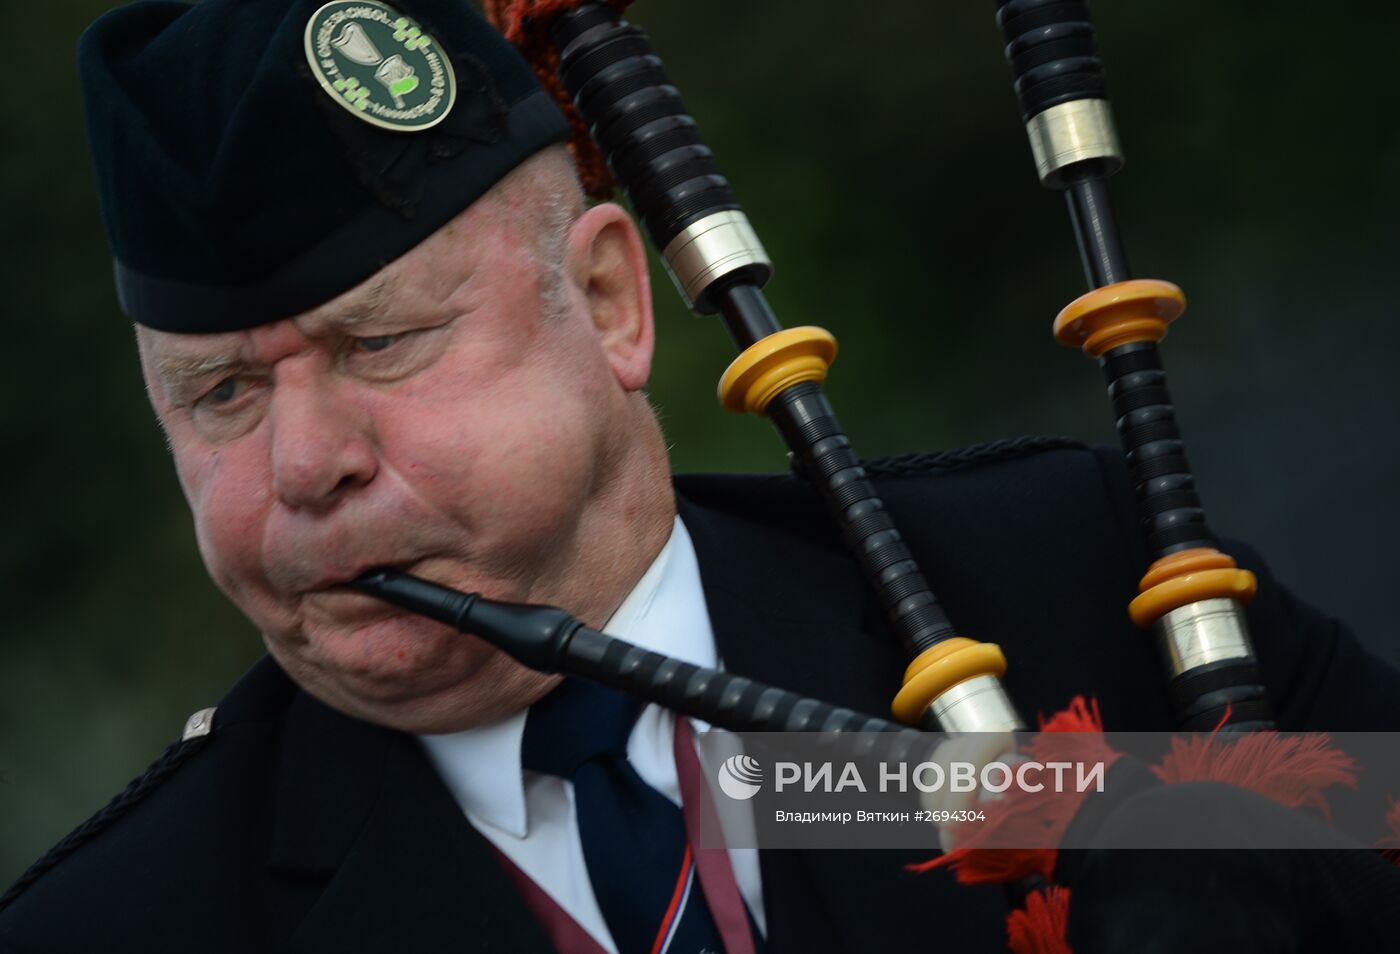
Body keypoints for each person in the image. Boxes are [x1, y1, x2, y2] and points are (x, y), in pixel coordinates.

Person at [2, 0, 1398, 951]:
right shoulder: (124, 923)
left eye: (380, 344)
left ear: (612, 299)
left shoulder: (1074, 570)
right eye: (222, 394)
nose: (304, 467)